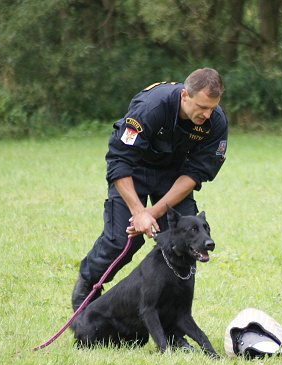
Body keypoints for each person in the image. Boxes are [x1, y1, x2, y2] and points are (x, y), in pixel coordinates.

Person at [72, 68, 228, 311]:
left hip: (174, 177)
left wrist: (152, 212)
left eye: (212, 108)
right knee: (121, 241)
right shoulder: (150, 108)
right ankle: (87, 288)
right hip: (134, 171)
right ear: (184, 95)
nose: (207, 114)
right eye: (201, 107)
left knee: (188, 240)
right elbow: (119, 161)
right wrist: (138, 212)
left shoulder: (215, 121)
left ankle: (175, 316)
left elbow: (196, 172)